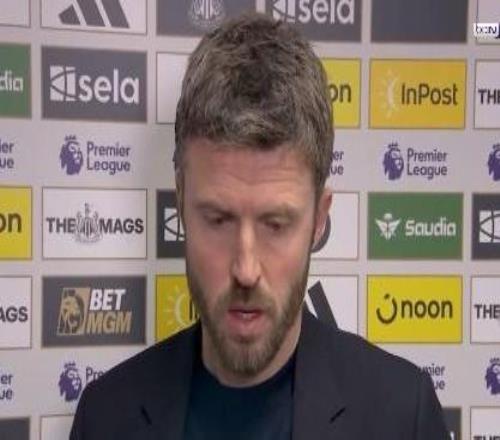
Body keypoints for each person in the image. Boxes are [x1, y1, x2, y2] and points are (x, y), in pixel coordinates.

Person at [70, 12, 449, 440]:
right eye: (218, 220)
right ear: (180, 205)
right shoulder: (105, 417)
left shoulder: (402, 415)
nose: (246, 270)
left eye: (275, 224)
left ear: (319, 219)